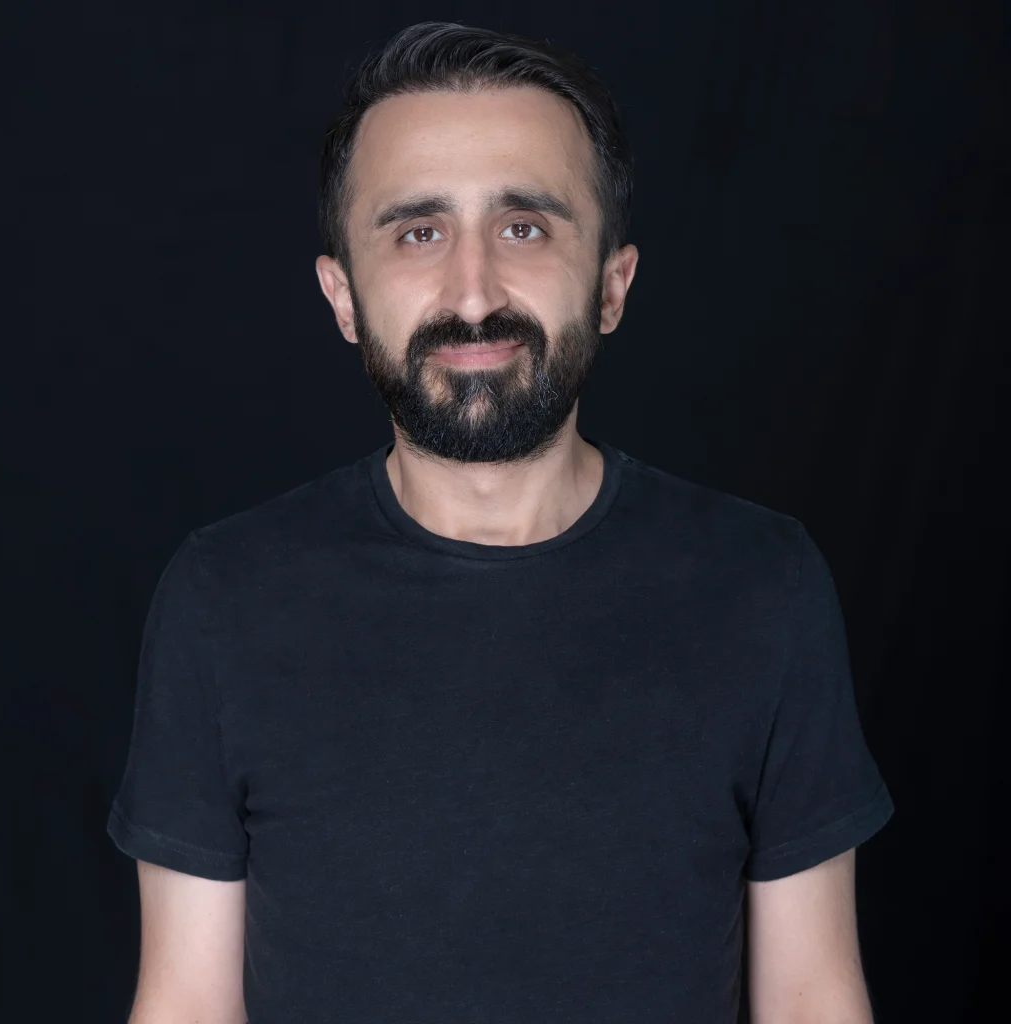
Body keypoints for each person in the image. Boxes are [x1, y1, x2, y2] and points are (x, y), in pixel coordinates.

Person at [107, 21, 893, 1024]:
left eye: (524, 228)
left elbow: (815, 1000)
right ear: (342, 297)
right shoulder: (223, 599)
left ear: (611, 283)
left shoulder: (763, 586)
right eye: (418, 233)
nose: (472, 293)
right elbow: (183, 1004)